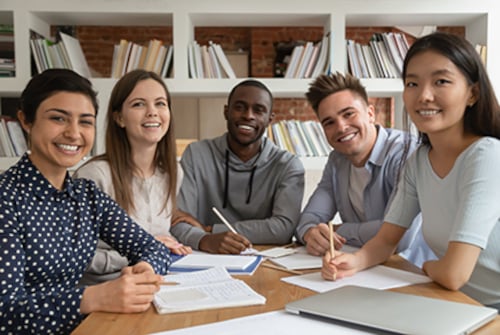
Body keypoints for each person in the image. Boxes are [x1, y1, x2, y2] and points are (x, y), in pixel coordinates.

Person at [322, 32, 500, 310]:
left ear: (472, 93)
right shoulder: (419, 160)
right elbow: (384, 242)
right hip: (457, 304)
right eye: (412, 83)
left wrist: (428, 266)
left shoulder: (487, 155)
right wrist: (353, 261)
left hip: (488, 311)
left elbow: (453, 274)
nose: (424, 96)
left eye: (441, 81)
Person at [0, 69, 171, 334]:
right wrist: (93, 297)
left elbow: (154, 247)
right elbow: (5, 311)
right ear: (26, 120)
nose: (74, 133)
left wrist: (143, 270)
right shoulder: (6, 198)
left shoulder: (87, 195)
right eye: (58, 118)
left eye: (85, 121)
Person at [295, 71, 431, 266]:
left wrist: (338, 231)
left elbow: (401, 237)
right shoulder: (337, 160)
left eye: (348, 114)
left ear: (370, 113)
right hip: (363, 270)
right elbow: (310, 217)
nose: (341, 127)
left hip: (413, 271)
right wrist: (310, 233)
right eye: (329, 122)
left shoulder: (406, 153)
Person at [74, 70, 191, 285]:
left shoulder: (173, 172)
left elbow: (160, 234)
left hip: (156, 283)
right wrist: (147, 250)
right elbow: (77, 258)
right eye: (139, 104)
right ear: (119, 118)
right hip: (106, 291)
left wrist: (169, 245)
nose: (152, 112)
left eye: (160, 104)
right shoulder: (94, 177)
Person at [170, 79, 305, 254]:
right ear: (226, 112)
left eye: (259, 110)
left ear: (270, 119)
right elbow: (178, 221)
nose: (248, 115)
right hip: (206, 256)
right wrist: (205, 240)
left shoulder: (288, 165)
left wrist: (211, 230)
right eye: (240, 107)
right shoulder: (196, 154)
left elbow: (283, 229)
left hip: (267, 259)